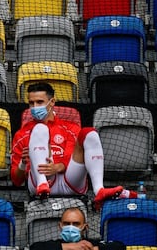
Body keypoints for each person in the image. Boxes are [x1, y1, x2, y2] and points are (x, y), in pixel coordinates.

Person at [10, 83, 141, 207]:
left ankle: (99, 190)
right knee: (39, 129)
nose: (35, 107)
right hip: (38, 183)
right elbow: (16, 181)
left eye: (39, 102)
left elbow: (72, 155)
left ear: (52, 102)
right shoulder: (21, 134)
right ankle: (42, 183)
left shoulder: (70, 128)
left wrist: (59, 167)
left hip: (70, 181)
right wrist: (23, 163)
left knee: (89, 133)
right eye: (31, 103)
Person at [29, 207, 126, 250]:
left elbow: (119, 248)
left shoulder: (91, 244)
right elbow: (34, 249)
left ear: (85, 227)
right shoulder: (53, 245)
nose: (71, 227)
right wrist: (71, 248)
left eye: (76, 224)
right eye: (67, 224)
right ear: (60, 226)